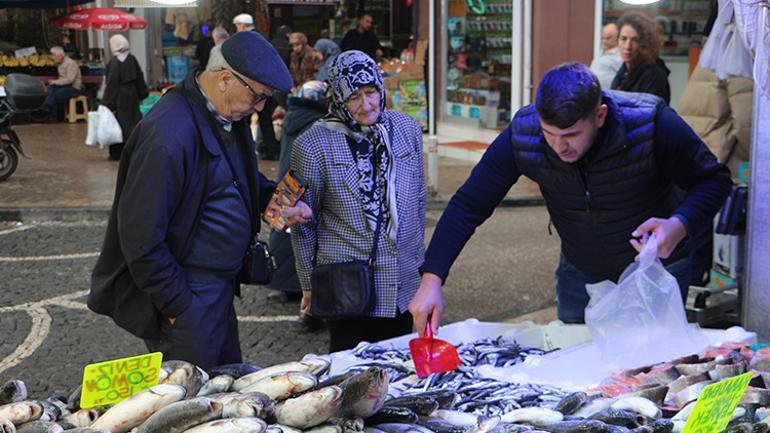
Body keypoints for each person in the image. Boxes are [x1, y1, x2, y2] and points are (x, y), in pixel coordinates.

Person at [409, 62, 732, 335]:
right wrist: (432, 277)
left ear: (600, 115)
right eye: (549, 133)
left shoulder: (652, 123)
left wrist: (678, 225)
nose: (558, 146)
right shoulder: (524, 132)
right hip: (580, 270)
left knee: (651, 370)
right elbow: (470, 203)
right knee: (577, 369)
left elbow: (714, 180)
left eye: (571, 135)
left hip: (656, 269)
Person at [88, 31, 310, 369]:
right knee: (193, 404)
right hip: (189, 293)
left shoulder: (222, 114)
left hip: (216, 290)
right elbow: (140, 237)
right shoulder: (168, 134)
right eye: (259, 96)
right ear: (225, 79)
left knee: (225, 389)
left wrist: (272, 201)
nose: (261, 107)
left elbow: (231, 179)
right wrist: (178, 305)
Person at [291, 51, 426, 352]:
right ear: (338, 97)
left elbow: (418, 199)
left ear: (381, 88)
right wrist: (307, 282)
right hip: (346, 283)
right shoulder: (313, 143)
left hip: (400, 279)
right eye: (353, 97)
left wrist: (420, 266)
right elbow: (304, 223)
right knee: (350, 375)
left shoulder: (406, 130)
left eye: (371, 92)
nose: (366, 105)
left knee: (395, 371)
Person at [266, 81, 328, 309]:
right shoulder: (316, 124)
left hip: (288, 183)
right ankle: (295, 288)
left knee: (282, 230)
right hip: (304, 184)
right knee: (301, 233)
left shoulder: (293, 119)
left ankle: (282, 283)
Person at [102, 35, 149, 161]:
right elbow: (140, 77)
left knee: (118, 125)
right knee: (132, 123)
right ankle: (133, 150)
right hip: (132, 96)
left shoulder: (114, 63)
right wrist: (142, 93)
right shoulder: (132, 59)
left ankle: (117, 153)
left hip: (119, 97)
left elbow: (112, 84)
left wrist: (107, 103)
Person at [611, 12, 671, 104]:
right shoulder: (624, 71)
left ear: (645, 43)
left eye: (635, 40)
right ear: (618, 40)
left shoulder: (655, 75)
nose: (628, 46)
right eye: (623, 39)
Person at [44, 46, 82, 122]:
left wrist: (56, 82)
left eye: (53, 55)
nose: (52, 57)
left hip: (73, 88)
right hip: (64, 86)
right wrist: (54, 83)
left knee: (55, 95)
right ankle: (48, 108)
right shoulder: (59, 64)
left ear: (59, 55)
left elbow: (70, 80)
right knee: (50, 88)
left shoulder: (71, 63)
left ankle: (51, 115)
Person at [590, 22, 622, 90]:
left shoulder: (620, 54)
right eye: (603, 38)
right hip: (594, 93)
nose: (604, 41)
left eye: (608, 38)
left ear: (617, 37)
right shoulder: (601, 51)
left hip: (609, 95)